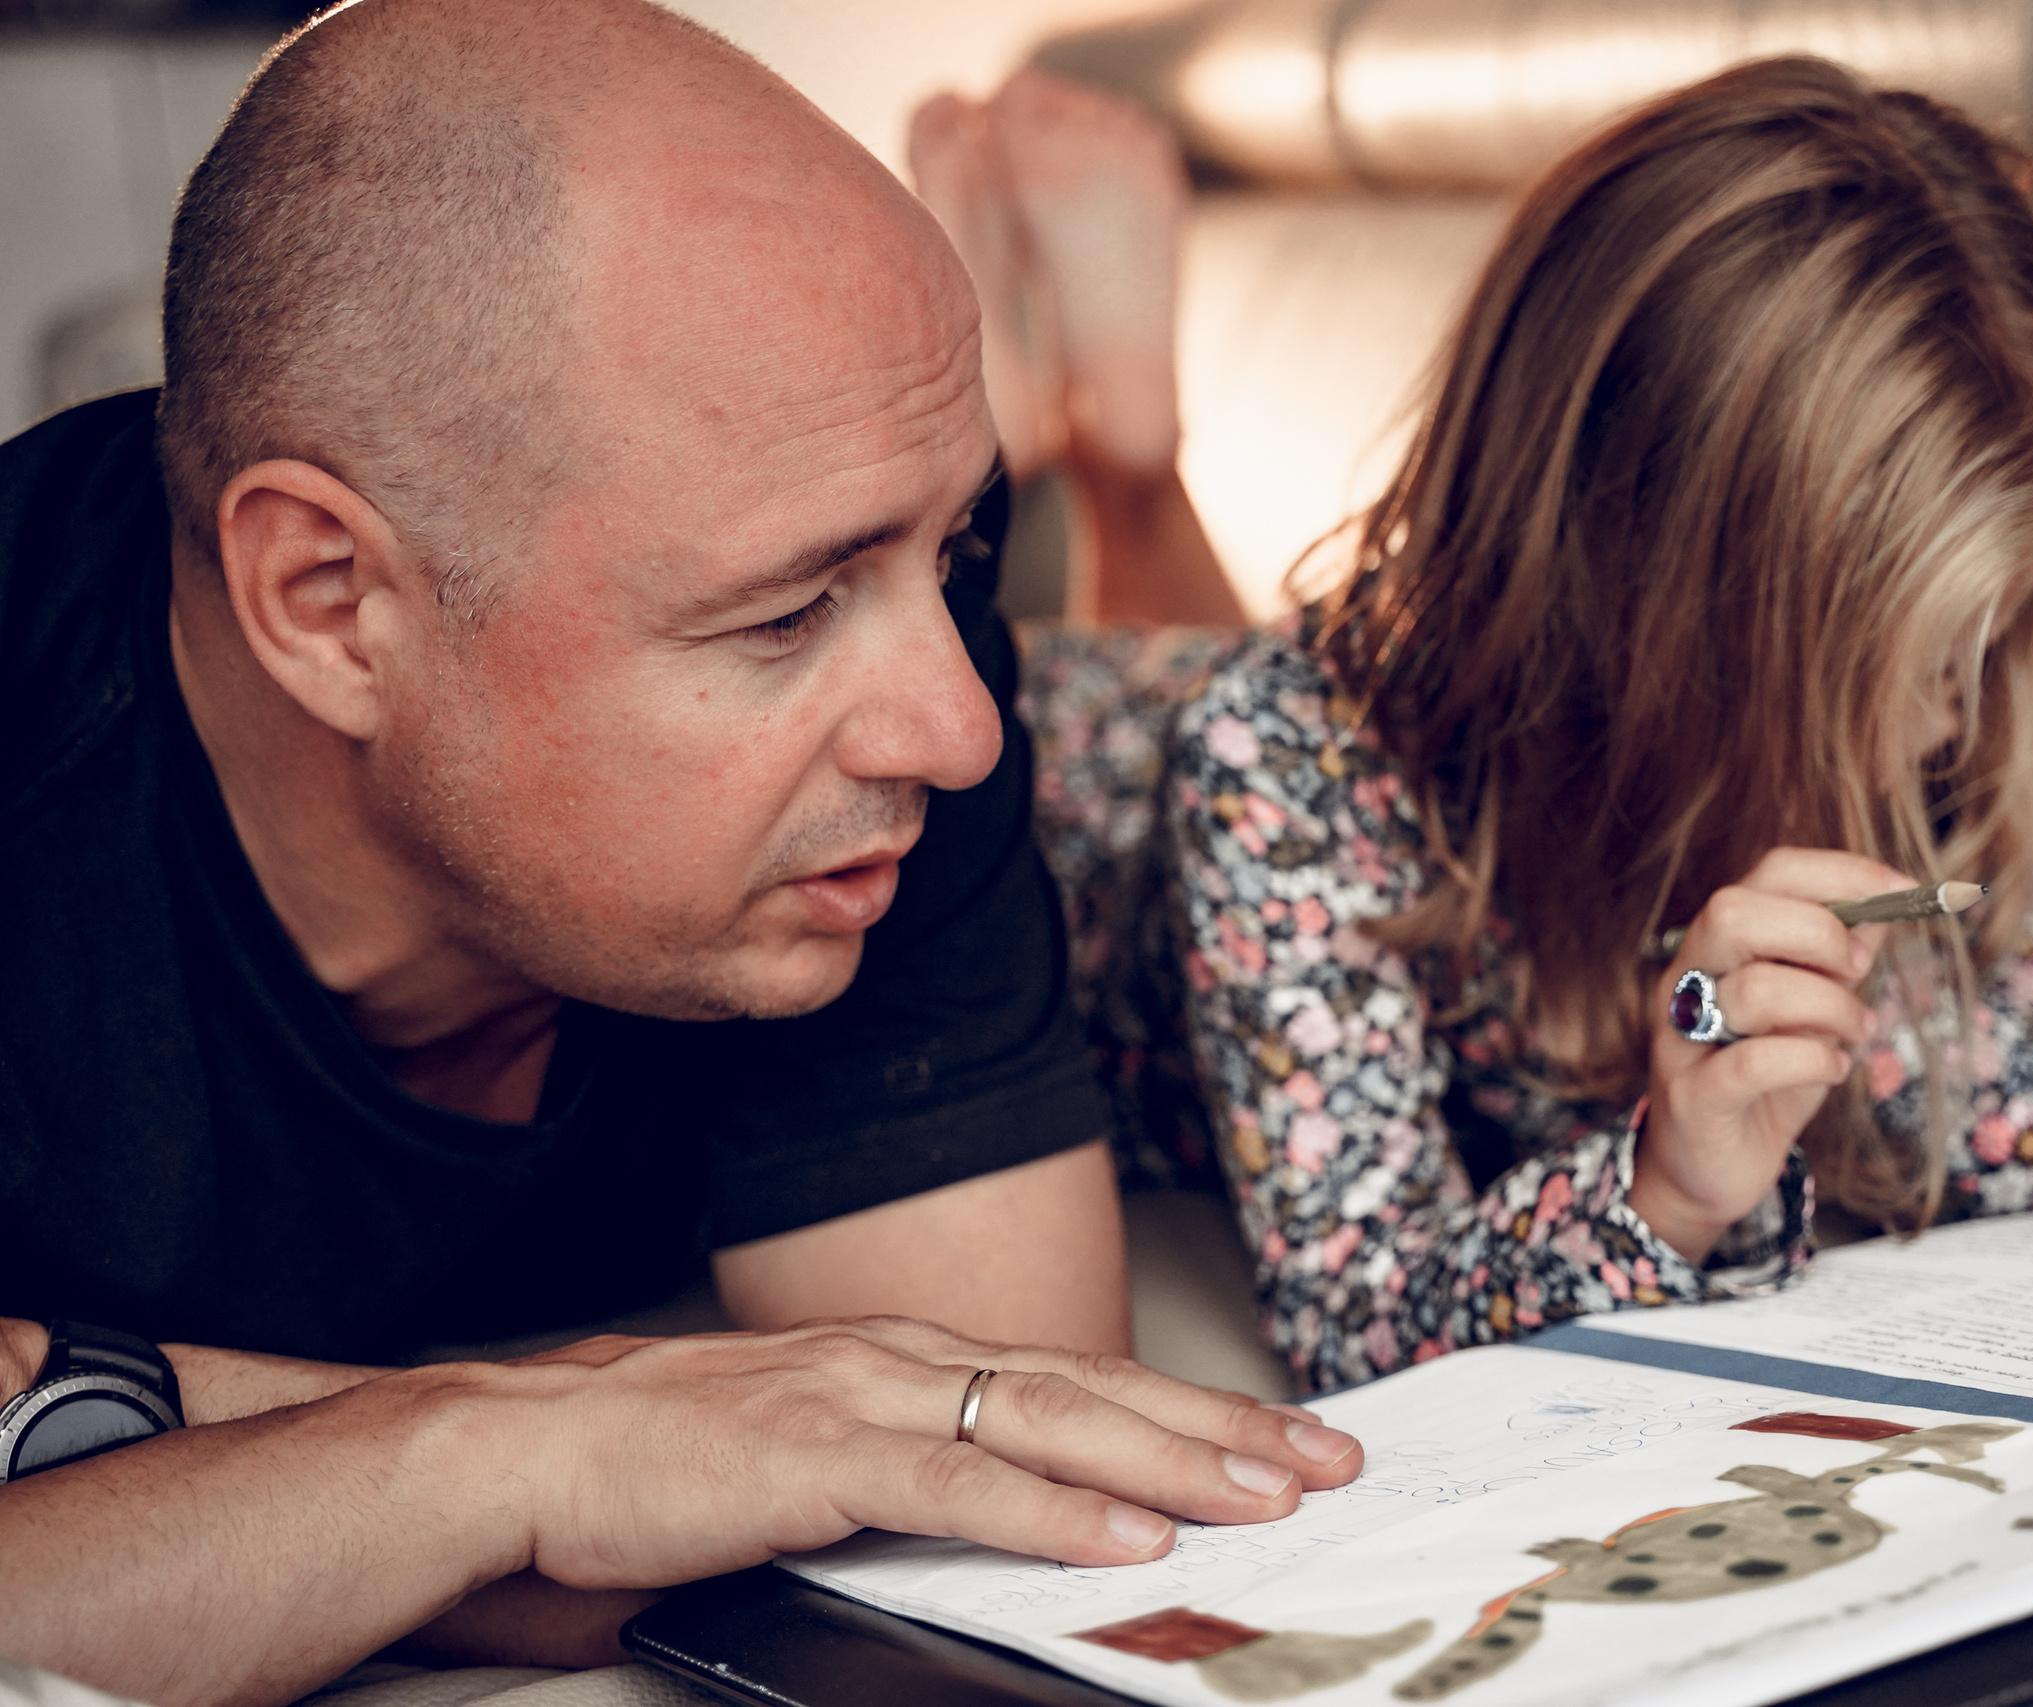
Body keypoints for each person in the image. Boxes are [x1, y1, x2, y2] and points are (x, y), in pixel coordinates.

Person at [0, 3, 1363, 1702]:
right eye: (787, 609)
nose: (956, 731)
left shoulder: (883, 724)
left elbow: (977, 1509)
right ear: (333, 607)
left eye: (947, 550)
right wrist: (508, 1454)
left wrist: (114, 1427)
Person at [928, 59, 2033, 1395]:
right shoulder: (1288, 768)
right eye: (1903, 670)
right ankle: (1030, 453)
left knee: (1248, 683)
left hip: (1293, 714)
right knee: (1180, 697)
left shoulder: (1922, 713)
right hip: (1079, 799)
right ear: (1675, 625)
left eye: (1985, 639)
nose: (1949, 723)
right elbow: (1353, 1315)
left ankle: (1097, 445)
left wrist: (1870, 1010)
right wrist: (1664, 1186)